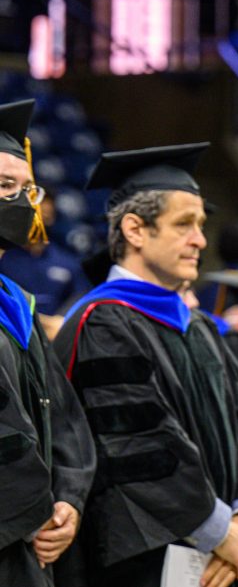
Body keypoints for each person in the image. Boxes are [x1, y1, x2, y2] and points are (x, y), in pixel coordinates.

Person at [53, 142, 238, 587]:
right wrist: (218, 531)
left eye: (201, 225)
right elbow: (142, 446)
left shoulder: (201, 328)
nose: (201, 239)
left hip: (227, 559)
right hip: (142, 567)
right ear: (135, 229)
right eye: (184, 225)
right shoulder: (102, 322)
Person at [0, 98, 96, 587]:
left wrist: (68, 501)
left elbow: (64, 416)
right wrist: (34, 510)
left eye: (26, 188)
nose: (21, 202)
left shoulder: (17, 306)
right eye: (3, 186)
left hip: (33, 546)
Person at [0, 192, 90, 321]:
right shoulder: (4, 258)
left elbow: (79, 299)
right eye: (36, 216)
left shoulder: (67, 262)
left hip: (55, 333)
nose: (41, 222)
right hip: (13, 328)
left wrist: (59, 321)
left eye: (46, 216)